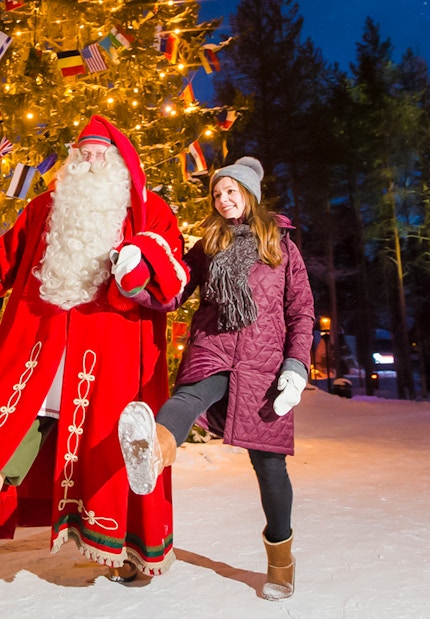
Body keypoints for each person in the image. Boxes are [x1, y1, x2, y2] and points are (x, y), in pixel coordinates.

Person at [0, 115, 189, 581]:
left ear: (119, 159)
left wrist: (140, 263)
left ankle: (129, 550)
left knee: (113, 452)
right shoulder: (45, 206)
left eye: (99, 152)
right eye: (83, 152)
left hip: (111, 357)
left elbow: (175, 281)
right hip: (40, 346)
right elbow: (7, 254)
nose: (90, 159)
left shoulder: (148, 213)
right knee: (14, 434)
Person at [116, 156, 315, 600]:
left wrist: (296, 367)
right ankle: (152, 451)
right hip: (214, 344)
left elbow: (300, 310)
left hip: (265, 361)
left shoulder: (281, 244)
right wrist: (136, 281)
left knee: (269, 467)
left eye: (231, 192)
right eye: (217, 194)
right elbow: (175, 287)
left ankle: (281, 562)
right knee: (188, 395)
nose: (223, 200)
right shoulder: (209, 243)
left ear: (249, 194)